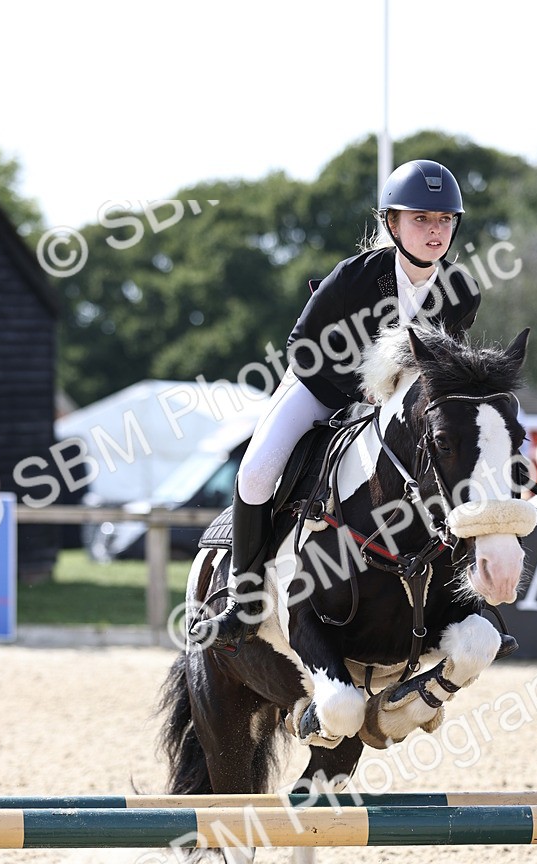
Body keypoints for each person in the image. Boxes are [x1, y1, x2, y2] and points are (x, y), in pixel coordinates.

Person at [200, 159, 499, 652]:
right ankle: (245, 596)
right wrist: (361, 389)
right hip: (321, 388)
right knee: (255, 472)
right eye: (421, 219)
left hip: (401, 410)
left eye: (444, 220)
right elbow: (302, 347)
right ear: (392, 224)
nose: (435, 230)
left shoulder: (461, 291)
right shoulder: (355, 278)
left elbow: (445, 368)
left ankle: (467, 600)